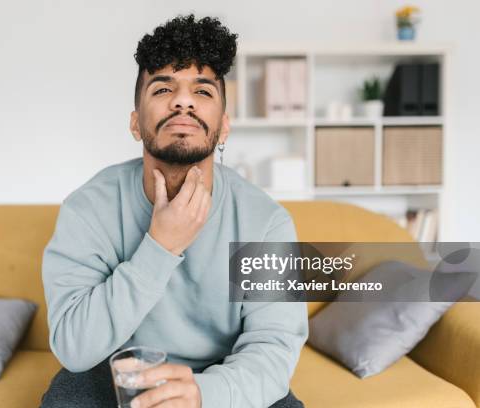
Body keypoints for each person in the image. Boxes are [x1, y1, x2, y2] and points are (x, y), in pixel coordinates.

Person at [40, 14, 308, 408]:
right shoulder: (88, 209)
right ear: (135, 123)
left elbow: (273, 347)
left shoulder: (266, 222)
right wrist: (160, 245)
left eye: (202, 92)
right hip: (117, 373)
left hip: (225, 374)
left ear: (225, 126)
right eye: (163, 88)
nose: (183, 100)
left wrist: (204, 394)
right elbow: (74, 348)